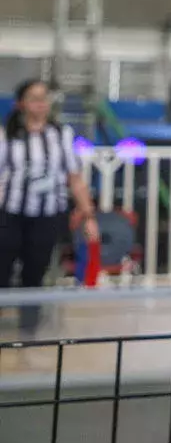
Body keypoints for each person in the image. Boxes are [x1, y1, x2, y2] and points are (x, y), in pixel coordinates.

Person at [0, 80, 100, 333]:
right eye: (34, 98)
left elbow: (74, 178)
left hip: (47, 215)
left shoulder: (61, 135)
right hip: (10, 214)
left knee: (35, 272)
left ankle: (28, 328)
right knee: (2, 268)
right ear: (21, 103)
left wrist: (88, 216)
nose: (41, 104)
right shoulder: (7, 135)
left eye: (44, 98)